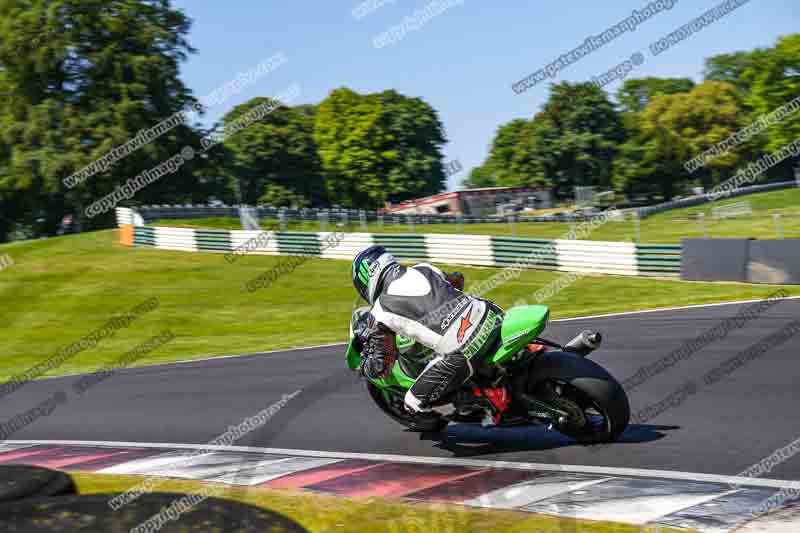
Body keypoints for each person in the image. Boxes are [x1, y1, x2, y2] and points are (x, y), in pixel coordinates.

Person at [351, 245, 509, 425]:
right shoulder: (423, 268)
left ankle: (486, 405)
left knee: (412, 403)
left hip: (465, 348)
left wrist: (364, 367)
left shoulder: (380, 312)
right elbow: (457, 280)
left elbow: (382, 365)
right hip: (490, 313)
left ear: (365, 281)